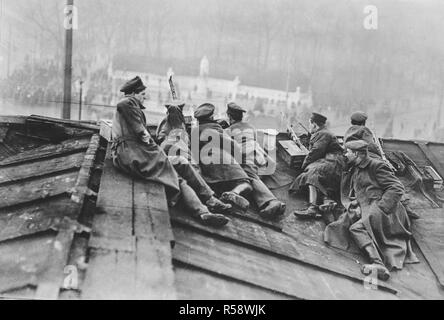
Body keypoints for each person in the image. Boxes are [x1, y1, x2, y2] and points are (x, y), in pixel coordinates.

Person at [111, 76, 230, 227]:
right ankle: (205, 206)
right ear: (133, 94)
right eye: (142, 94)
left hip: (139, 155)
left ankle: (205, 207)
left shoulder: (134, 108)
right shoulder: (127, 103)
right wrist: (152, 145)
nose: (145, 97)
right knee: (175, 173)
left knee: (180, 166)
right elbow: (142, 134)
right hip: (133, 155)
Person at [324, 140, 419, 281]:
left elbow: (397, 188)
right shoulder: (356, 167)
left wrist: (381, 208)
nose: (345, 154)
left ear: (356, 154)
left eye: (348, 152)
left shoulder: (377, 166)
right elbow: (361, 189)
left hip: (386, 209)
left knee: (356, 228)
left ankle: (378, 264)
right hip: (368, 204)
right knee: (339, 224)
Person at [225, 102, 286, 219]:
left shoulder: (228, 131)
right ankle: (276, 204)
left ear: (229, 117)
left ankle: (272, 201)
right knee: (252, 175)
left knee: (247, 176)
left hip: (248, 158)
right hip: (261, 158)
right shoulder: (251, 127)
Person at [192, 103, 253, 211]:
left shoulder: (194, 131)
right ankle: (233, 193)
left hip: (208, 172)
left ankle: (216, 198)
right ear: (211, 117)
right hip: (225, 163)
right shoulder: (215, 127)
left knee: (218, 185)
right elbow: (234, 147)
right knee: (246, 183)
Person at [292, 112, 345, 222]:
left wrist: (304, 165)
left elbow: (316, 151)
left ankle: (313, 208)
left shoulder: (323, 134)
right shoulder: (323, 132)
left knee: (312, 173)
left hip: (333, 162)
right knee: (311, 172)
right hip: (332, 161)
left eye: (310, 124)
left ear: (314, 125)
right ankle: (325, 200)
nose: (309, 126)